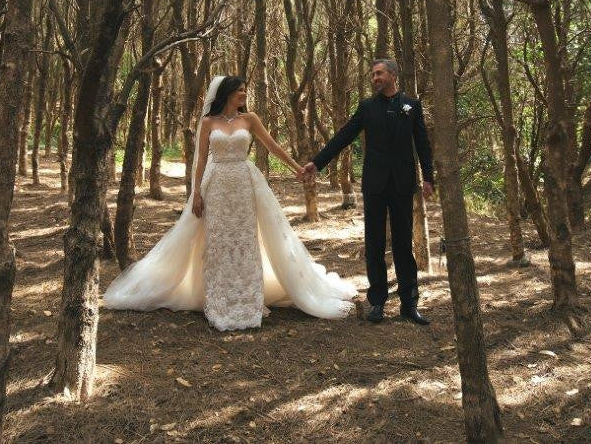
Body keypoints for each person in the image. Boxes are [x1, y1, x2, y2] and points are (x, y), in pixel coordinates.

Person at [103, 75, 356, 331]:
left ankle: (248, 300)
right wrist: (197, 194)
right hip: (217, 186)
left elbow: (272, 146)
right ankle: (220, 301)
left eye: (245, 90)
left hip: (244, 185)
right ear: (226, 94)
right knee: (219, 241)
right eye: (240, 91)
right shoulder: (208, 122)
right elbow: (201, 160)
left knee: (245, 240)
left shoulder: (250, 119)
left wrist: (297, 169)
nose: (244, 95)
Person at [304, 59, 434, 325]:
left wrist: (429, 179)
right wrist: (317, 163)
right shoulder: (366, 107)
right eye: (373, 74)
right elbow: (343, 136)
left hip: (402, 184)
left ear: (393, 75)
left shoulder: (412, 106)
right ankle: (377, 302)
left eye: (379, 73)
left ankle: (409, 304)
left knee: (402, 245)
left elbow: (422, 143)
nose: (375, 77)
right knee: (374, 244)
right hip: (374, 184)